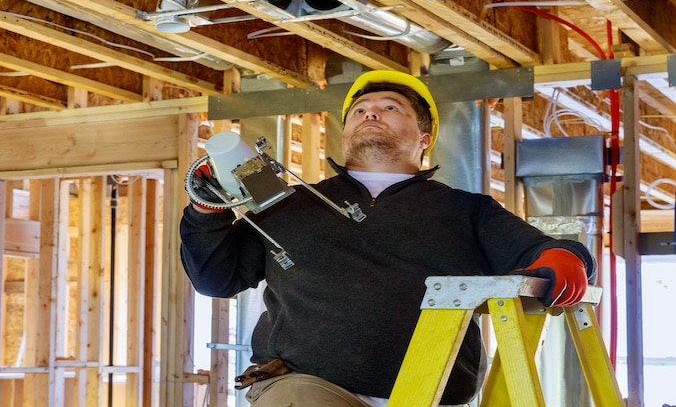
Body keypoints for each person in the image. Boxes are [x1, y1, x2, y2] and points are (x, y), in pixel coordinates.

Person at [179, 70, 596, 406]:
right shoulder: (290, 204)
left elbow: (541, 250)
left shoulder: (467, 210)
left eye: (389, 107)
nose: (370, 113)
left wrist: (567, 259)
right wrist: (206, 209)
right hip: (304, 386)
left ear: (424, 138)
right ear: (346, 137)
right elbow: (216, 278)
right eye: (360, 110)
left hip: (434, 392)